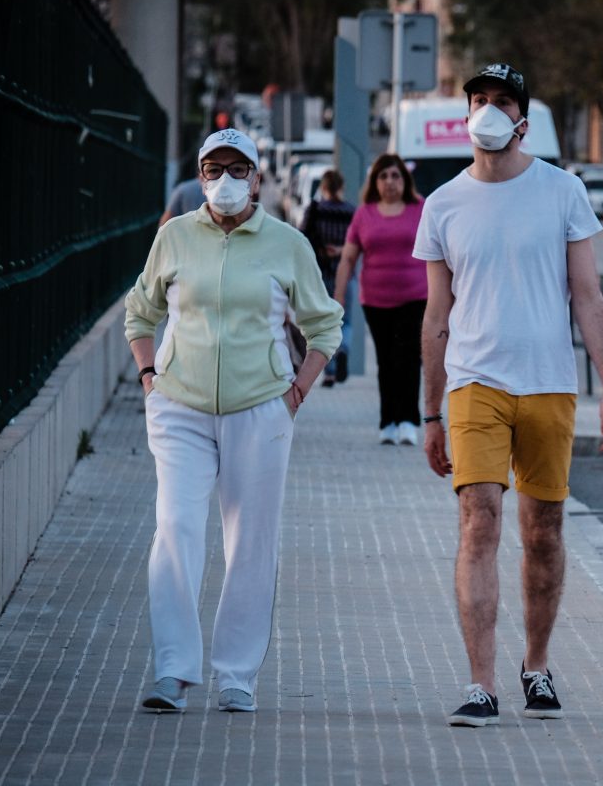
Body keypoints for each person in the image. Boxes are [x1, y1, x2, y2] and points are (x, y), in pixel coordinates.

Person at [414, 62, 603, 728]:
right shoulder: (443, 203)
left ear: (522, 120)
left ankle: (536, 666)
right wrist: (429, 410)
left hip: (549, 385)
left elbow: (588, 296)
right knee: (479, 519)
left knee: (544, 531)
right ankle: (482, 684)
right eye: (479, 99)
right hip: (476, 382)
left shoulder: (562, 191)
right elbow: (436, 316)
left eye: (502, 100)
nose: (488, 110)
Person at [124, 128, 343, 713]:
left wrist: (296, 390)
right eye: (214, 169)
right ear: (199, 176)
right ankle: (172, 670)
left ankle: (236, 675)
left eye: (238, 169)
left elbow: (325, 325)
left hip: (260, 408)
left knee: (250, 542)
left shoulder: (287, 243)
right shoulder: (174, 238)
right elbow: (140, 313)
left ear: (257, 178)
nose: (226, 180)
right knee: (175, 527)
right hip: (179, 405)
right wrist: (150, 379)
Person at [335, 154, 428, 445]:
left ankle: (409, 421)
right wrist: (338, 299)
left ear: (405, 180)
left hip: (415, 297)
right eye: (384, 176)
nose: (390, 182)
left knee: (409, 358)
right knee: (386, 361)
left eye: (396, 176)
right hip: (375, 300)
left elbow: (440, 252)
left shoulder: (420, 208)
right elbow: (348, 257)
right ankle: (388, 420)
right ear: (375, 182)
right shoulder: (365, 214)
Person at [301, 169, 356, 387]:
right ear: (341, 186)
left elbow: (302, 239)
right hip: (346, 272)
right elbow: (358, 243)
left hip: (320, 274)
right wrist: (341, 250)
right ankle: (343, 349)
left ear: (323, 187)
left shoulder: (315, 210)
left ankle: (330, 373)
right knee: (347, 321)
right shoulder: (351, 211)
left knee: (325, 324)